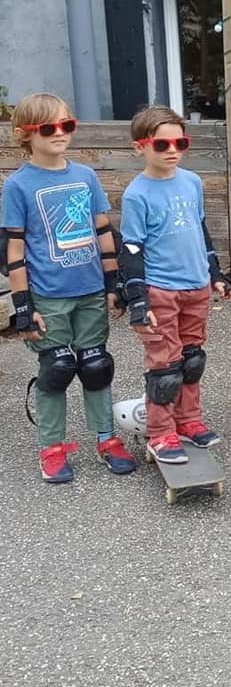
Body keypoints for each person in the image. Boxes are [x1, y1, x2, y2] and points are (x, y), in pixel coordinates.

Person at [1, 92, 136, 483]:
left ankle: (107, 439)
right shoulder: (19, 186)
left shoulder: (85, 176)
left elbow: (102, 233)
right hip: (48, 295)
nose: (60, 133)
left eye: (67, 125)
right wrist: (22, 304)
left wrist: (114, 283)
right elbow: (14, 248)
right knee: (56, 369)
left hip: (90, 290)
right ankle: (52, 447)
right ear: (25, 134)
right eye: (49, 128)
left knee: (96, 366)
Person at [119, 105, 231, 464]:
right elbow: (131, 248)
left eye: (179, 142)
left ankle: (188, 420)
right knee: (164, 367)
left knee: (191, 360)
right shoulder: (137, 194)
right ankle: (160, 433)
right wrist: (138, 300)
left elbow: (200, 230)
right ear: (141, 147)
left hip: (196, 285)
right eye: (161, 144)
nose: (171, 150)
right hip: (160, 289)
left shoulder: (192, 181)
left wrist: (216, 274)